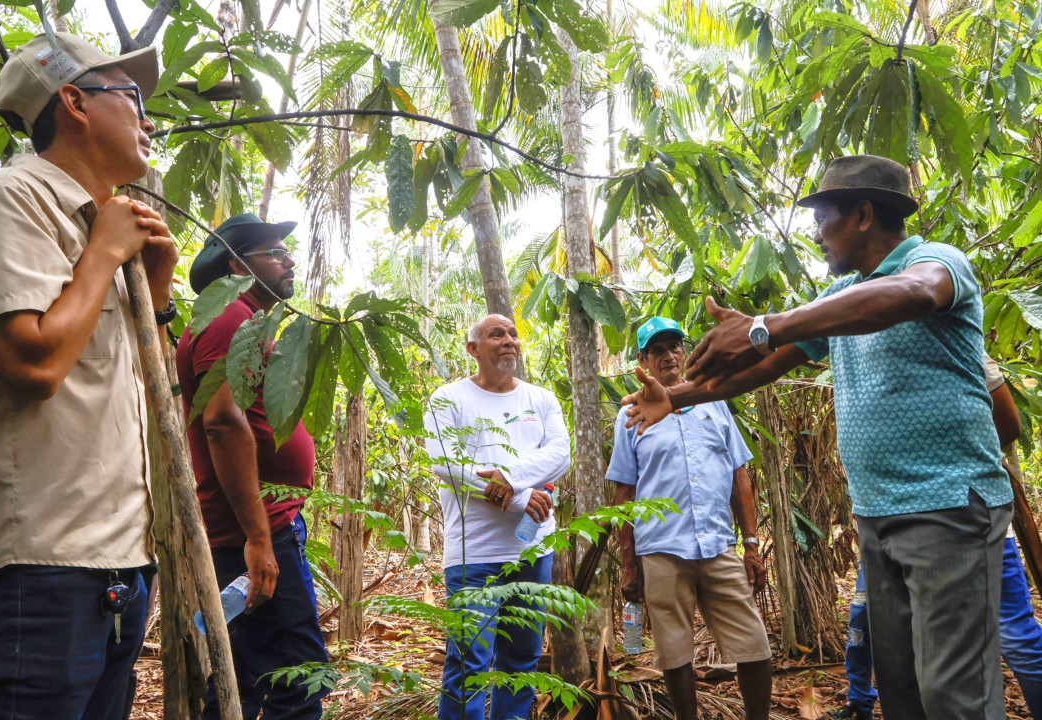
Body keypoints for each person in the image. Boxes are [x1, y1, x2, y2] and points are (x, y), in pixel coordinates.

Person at [622, 155, 1013, 719]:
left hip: (948, 507)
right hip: (878, 515)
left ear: (861, 215)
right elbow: (764, 366)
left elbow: (913, 295)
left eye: (821, 218)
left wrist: (765, 325)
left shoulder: (935, 262)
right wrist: (675, 398)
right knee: (901, 690)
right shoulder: (842, 300)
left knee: (954, 697)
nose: (814, 234)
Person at [0, 33, 177, 720]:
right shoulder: (10, 197)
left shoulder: (114, 224)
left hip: (116, 562)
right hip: (38, 566)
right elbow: (33, 363)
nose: (148, 120)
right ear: (75, 101)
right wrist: (104, 254)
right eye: (134, 98)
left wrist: (158, 293)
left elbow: (150, 398)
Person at [823, 354, 1042, 720]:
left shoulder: (948, 333)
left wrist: (955, 468)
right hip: (883, 523)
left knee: (1013, 636)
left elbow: (1006, 424)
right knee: (870, 629)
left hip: (962, 519)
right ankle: (859, 701)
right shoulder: (852, 351)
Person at [177, 213, 328, 720]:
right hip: (259, 527)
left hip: (261, 523)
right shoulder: (229, 319)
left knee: (242, 673)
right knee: (300, 675)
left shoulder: (242, 320)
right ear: (239, 265)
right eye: (274, 252)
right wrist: (259, 538)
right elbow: (221, 421)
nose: (288, 261)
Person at [607, 317, 772, 720]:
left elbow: (739, 474)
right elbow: (624, 492)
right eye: (657, 350)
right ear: (644, 359)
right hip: (662, 549)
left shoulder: (714, 401)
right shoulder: (630, 414)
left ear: (685, 351)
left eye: (675, 346)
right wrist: (629, 565)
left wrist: (751, 544)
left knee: (755, 646)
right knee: (674, 652)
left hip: (717, 544)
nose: (669, 355)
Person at [424, 314, 568, 720]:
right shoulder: (447, 398)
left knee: (520, 661)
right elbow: (444, 462)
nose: (509, 341)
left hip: (532, 549)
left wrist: (511, 479)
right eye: (496, 334)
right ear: (473, 349)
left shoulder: (540, 399)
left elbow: (561, 452)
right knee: (469, 663)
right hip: (474, 553)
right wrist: (520, 493)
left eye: (513, 334)